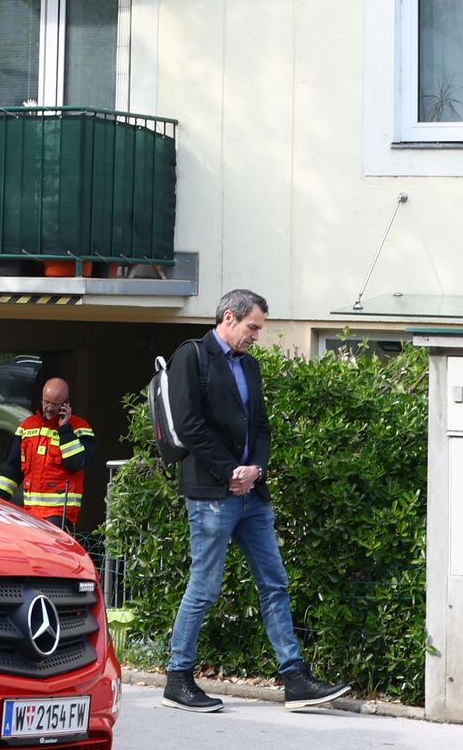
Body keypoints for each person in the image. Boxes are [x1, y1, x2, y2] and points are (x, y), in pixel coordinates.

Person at [145, 291, 351, 712]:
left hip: (251, 495)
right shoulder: (193, 356)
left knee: (275, 582)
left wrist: (255, 468)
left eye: (259, 328)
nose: (257, 336)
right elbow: (188, 425)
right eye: (253, 327)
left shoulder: (250, 366)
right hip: (211, 494)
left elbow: (261, 427)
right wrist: (230, 470)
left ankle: (295, 678)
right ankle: (178, 679)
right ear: (229, 318)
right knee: (204, 588)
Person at [12, 375, 98, 554]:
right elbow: (12, 470)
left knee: (49, 556)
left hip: (59, 513)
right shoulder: (26, 427)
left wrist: (64, 429)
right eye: (46, 402)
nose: (49, 408)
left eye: (55, 404)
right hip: (29, 511)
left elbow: (76, 463)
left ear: (66, 404)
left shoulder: (81, 428)